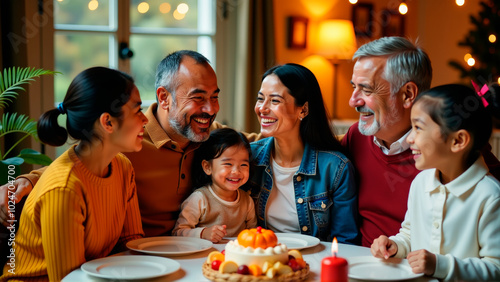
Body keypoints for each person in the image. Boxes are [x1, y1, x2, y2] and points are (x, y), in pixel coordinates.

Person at [0, 50, 260, 238]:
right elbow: (78, 162)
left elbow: (257, 143)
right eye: (198, 97)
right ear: (164, 97)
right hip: (139, 256)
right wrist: (28, 180)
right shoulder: (129, 139)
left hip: (195, 255)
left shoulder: (212, 137)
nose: (211, 108)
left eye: (214, 97)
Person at [342, 36, 500, 247]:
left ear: (408, 94)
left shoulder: (453, 151)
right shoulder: (355, 137)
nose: (353, 101)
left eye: (367, 89)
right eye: (354, 87)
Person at [0, 67, 147, 281]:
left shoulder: (122, 167)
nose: (145, 119)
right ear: (107, 122)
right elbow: (69, 279)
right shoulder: (64, 189)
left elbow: (131, 242)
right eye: (137, 110)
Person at [371, 83, 500, 281]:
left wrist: (441, 266)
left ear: (457, 141)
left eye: (418, 128)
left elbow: (496, 268)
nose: (410, 139)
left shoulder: (490, 196)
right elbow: (410, 234)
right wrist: (396, 246)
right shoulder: (421, 183)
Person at [247, 63, 358, 244]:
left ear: (303, 109)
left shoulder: (336, 168)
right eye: (261, 99)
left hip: (314, 263)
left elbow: (345, 241)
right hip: (261, 261)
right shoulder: (248, 158)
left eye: (275, 100)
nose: (262, 108)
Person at [172, 128, 257, 243]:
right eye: (228, 164)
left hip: (237, 258)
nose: (236, 171)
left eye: (243, 165)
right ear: (207, 167)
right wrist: (203, 233)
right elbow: (178, 232)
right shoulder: (200, 199)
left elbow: (254, 233)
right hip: (205, 257)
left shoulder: (247, 201)